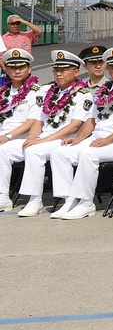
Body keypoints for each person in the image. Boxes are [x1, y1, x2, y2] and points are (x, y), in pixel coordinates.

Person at [51, 47, 113, 220]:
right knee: (60, 152)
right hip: (98, 140)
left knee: (88, 154)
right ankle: (69, 199)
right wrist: (79, 138)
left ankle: (86, 202)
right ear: (108, 68)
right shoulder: (103, 91)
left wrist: (108, 139)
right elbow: (92, 120)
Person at [14, 51, 90, 217]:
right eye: (56, 70)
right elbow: (39, 121)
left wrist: (41, 141)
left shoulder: (83, 94)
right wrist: (32, 138)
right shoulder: (48, 91)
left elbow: (74, 126)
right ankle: (34, 199)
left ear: (76, 72)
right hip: (45, 138)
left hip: (64, 139)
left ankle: (65, 199)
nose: (59, 74)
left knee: (38, 151)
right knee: (30, 148)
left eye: (64, 70)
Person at [0, 50, 42, 212]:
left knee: (2, 150)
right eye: (12, 67)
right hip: (3, 135)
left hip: (22, 138)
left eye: (21, 67)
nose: (17, 71)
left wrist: (8, 136)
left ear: (29, 69)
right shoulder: (3, 91)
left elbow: (32, 121)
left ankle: (3, 196)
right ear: (7, 70)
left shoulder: (36, 91)